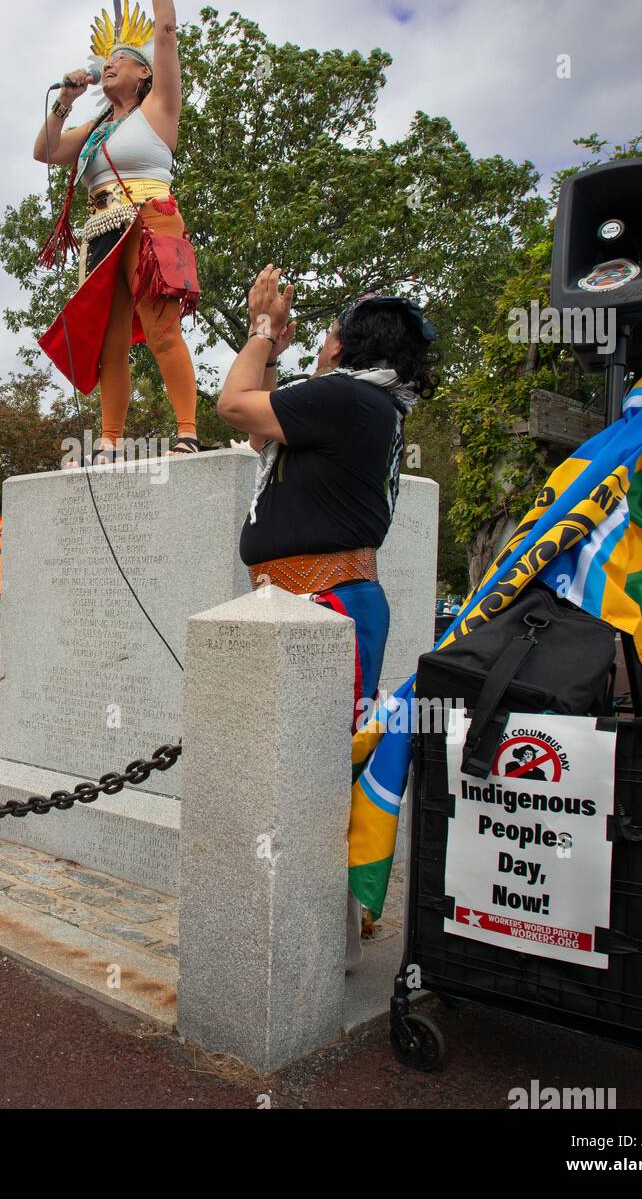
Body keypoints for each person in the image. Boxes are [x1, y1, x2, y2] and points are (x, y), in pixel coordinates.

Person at [217, 269, 439, 966]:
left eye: (330, 330)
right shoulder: (352, 403)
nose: (321, 337)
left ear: (346, 346)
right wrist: (277, 351)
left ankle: (323, 934)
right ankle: (308, 917)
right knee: (306, 764)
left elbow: (232, 406)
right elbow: (262, 430)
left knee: (318, 767)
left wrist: (259, 328)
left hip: (323, 601)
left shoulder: (347, 399)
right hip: (306, 602)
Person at [34, 0, 199, 461]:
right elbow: (45, 150)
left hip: (149, 219)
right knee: (107, 344)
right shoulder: (97, 129)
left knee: (160, 329)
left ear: (144, 74)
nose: (110, 63)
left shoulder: (159, 111)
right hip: (101, 230)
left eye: (122, 58)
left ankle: (186, 431)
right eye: (106, 60)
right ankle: (108, 441)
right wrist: (66, 100)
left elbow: (168, 30)